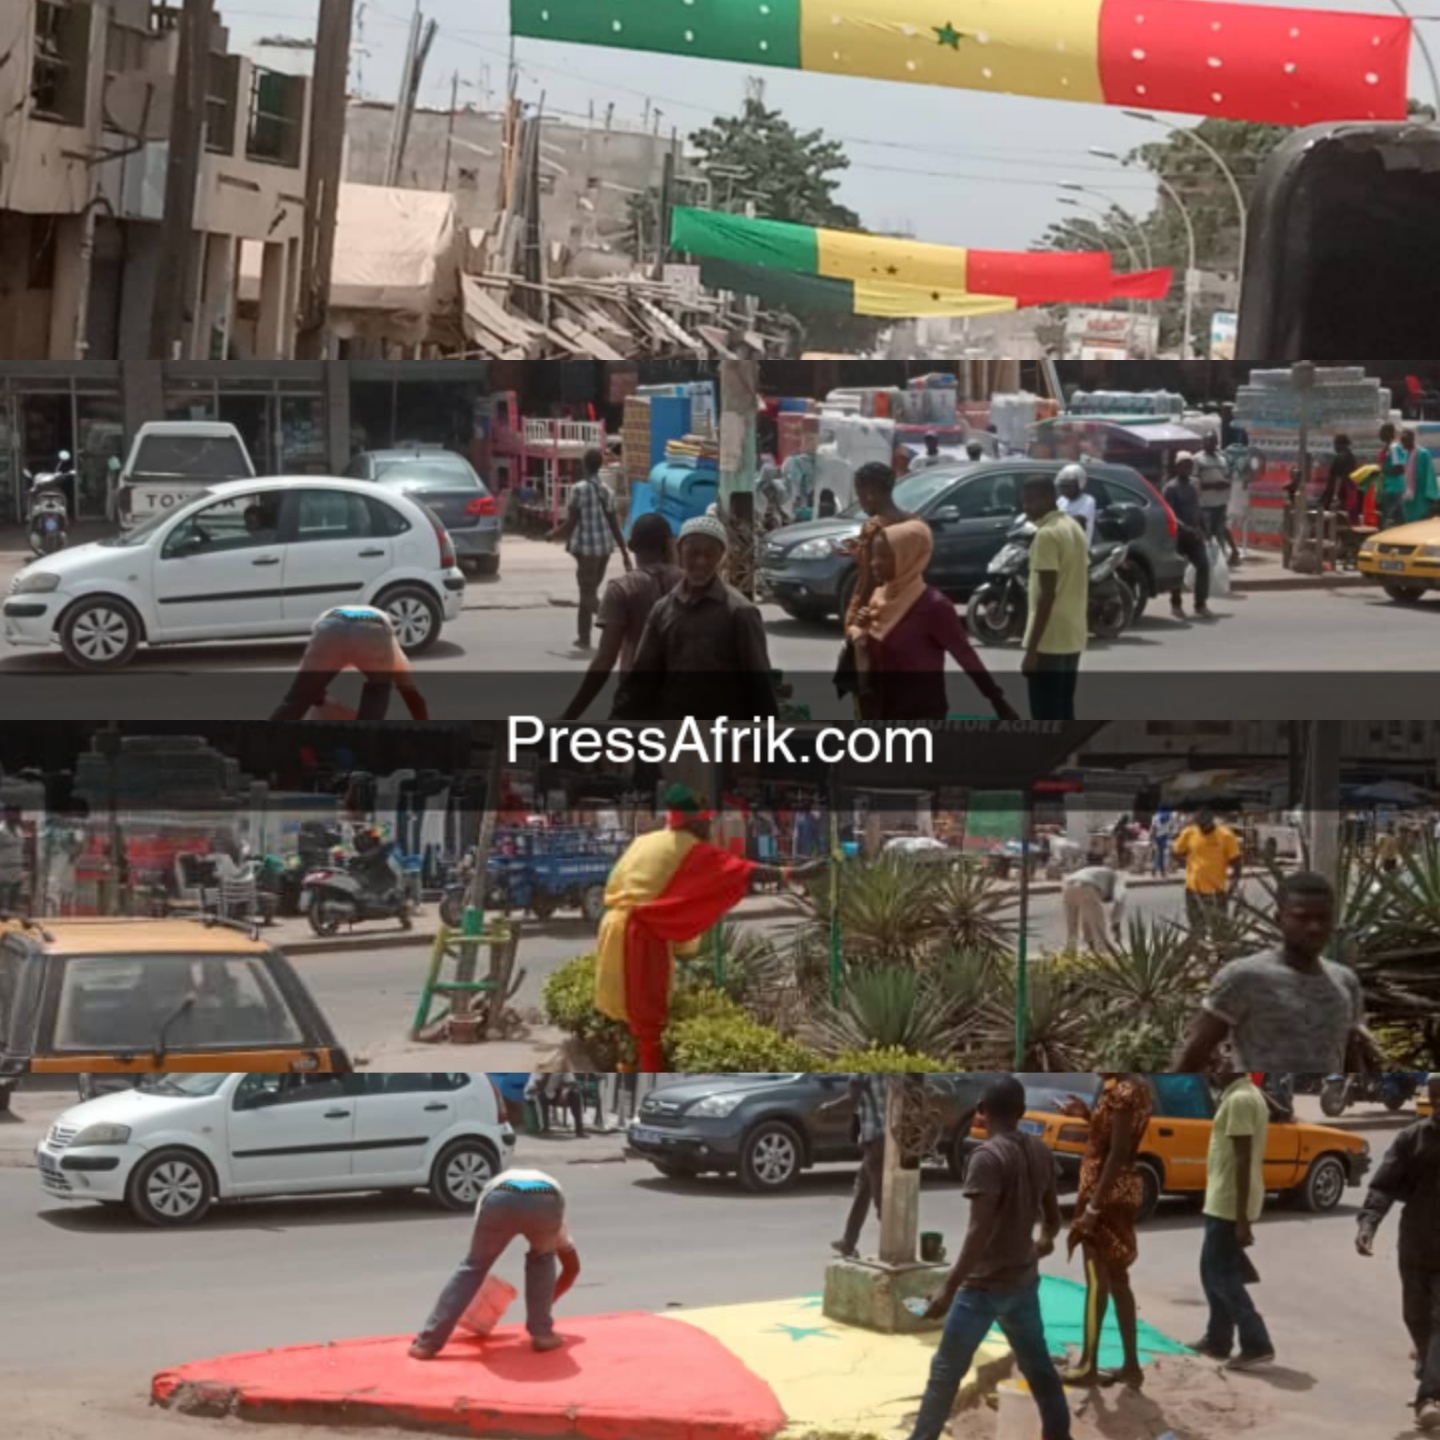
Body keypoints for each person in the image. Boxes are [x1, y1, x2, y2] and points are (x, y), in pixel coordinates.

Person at [593, 785, 825, 1072]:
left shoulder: (644, 841)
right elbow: (742, 871)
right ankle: (649, 1074)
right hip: (639, 938)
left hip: (612, 927)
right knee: (647, 1020)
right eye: (706, 823)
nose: (710, 828)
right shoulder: (691, 848)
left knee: (626, 1013)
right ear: (694, 822)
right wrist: (795, 873)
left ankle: (628, 1065)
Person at [909, 1076, 1074, 1440]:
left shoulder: (985, 1157)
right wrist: (1040, 1245)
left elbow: (978, 1231)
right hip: (1022, 1283)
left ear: (981, 1112)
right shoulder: (1040, 1151)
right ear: (1021, 1112)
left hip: (982, 1289)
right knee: (1039, 1369)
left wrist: (948, 1289)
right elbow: (1052, 1219)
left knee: (945, 1374)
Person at [1174, 871, 1371, 1074]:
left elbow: (1349, 1053)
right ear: (1279, 919)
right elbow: (1193, 1055)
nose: (1314, 927)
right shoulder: (1243, 977)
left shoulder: (1346, 981)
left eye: (1323, 918)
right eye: (1302, 918)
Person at [846, 520, 1017, 722]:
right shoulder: (878, 598)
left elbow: (965, 655)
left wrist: (997, 700)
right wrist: (860, 631)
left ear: (906, 558)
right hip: (878, 711)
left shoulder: (934, 606)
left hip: (919, 714)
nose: (874, 562)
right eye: (875, 555)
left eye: (884, 556)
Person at [613, 515, 777, 721]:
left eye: (710, 555)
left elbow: (760, 685)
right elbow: (640, 680)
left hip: (726, 737)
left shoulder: (741, 612)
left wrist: (764, 741)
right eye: (693, 553)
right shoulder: (663, 610)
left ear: (721, 557)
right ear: (680, 552)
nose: (701, 562)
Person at [410, 1167, 581, 1359]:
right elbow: (572, 1268)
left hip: (501, 1196)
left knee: (473, 1267)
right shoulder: (557, 1216)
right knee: (542, 1258)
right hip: (545, 1198)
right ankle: (542, 1334)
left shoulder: (491, 1188)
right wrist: (546, 1306)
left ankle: (427, 1344)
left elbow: (476, 1257)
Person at [1057, 1075, 1154, 1388]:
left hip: (1106, 1195)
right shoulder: (1130, 1089)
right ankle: (1131, 1366)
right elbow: (1112, 1136)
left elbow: (1117, 1152)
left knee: (1097, 1281)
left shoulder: (1125, 1093)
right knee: (1117, 1279)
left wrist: (1093, 1208)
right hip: (1116, 1191)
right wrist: (1086, 1113)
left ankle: (1087, 1364)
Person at [1357, 1073, 1440, 1430]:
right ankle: (1427, 1366)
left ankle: (1428, 1398)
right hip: (1417, 1242)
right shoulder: (1413, 1138)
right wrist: (1368, 1223)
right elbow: (1384, 1183)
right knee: (1416, 1316)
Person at [559, 513, 681, 722]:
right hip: (683, 699)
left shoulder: (622, 589)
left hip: (637, 698)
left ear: (631, 545)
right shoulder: (689, 584)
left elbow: (605, 660)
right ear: (669, 544)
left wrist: (569, 716)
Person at [1191, 1071, 1275, 1371]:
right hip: (1223, 1199)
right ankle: (1218, 1339)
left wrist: (1242, 1220)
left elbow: (1242, 1157)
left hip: (1229, 1202)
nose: (1213, 1067)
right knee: (1211, 1271)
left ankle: (1256, 1342)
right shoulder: (1243, 1095)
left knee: (1222, 1275)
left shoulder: (1240, 1099)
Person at [270, 606, 429, 721]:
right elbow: (411, 695)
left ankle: (264, 742)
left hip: (330, 626)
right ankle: (363, 746)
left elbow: (310, 692)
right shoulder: (391, 647)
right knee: (378, 690)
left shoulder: (325, 633)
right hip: (372, 628)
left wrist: (328, 704)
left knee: (297, 699)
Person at [1021, 474, 1088, 722]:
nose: (1025, 508)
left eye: (1031, 502)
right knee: (1063, 709)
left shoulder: (1046, 535)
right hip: (1072, 635)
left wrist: (1031, 650)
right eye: (1024, 502)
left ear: (1049, 499)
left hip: (1049, 638)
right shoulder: (1073, 526)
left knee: (1045, 715)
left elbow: (1047, 595)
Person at [549, 445, 630, 651]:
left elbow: (570, 524)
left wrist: (552, 534)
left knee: (587, 595)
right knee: (588, 591)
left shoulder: (578, 490)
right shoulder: (607, 491)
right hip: (603, 550)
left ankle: (618, 626)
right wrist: (625, 554)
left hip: (586, 551)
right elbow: (615, 525)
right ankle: (583, 637)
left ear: (584, 466)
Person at [840, 462, 913, 635]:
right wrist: (860, 552)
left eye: (860, 496)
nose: (861, 502)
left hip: (871, 611)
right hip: (906, 608)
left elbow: (870, 579)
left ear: (870, 494)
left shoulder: (874, 527)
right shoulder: (912, 523)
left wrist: (855, 622)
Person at [821, 1074, 888, 1259]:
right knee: (863, 1188)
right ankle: (848, 1243)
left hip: (875, 1138)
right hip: (889, 1136)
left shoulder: (862, 1072)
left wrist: (828, 1108)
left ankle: (895, 1248)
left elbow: (852, 1099)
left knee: (881, 1200)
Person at [1172, 808, 1242, 932]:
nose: (1202, 828)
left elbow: (1237, 865)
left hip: (1216, 892)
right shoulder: (1189, 832)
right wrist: (1188, 863)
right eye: (1199, 824)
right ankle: (1200, 950)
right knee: (1196, 929)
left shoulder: (1226, 836)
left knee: (1219, 930)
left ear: (1211, 819)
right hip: (1192, 891)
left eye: (1204, 824)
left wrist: (1231, 888)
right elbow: (1176, 852)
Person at [1163, 453, 1213, 620]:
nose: (1187, 469)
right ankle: (1176, 604)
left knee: (1203, 565)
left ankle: (1200, 604)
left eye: (1189, 465)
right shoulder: (1171, 488)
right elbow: (1170, 514)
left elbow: (1198, 508)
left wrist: (1204, 529)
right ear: (1177, 467)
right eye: (1184, 465)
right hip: (1179, 536)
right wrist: (1185, 529)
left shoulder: (1194, 485)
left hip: (1195, 535)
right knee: (1178, 570)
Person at [1195, 433, 1239, 565]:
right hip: (1205, 504)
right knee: (1207, 534)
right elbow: (1194, 482)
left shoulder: (1222, 459)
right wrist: (1213, 485)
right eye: (1207, 441)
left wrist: (1226, 483)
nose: (1210, 444)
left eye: (1213, 442)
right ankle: (1207, 561)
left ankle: (1219, 561)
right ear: (1203, 443)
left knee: (1220, 533)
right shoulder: (1197, 459)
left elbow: (1228, 476)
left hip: (1221, 503)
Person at [1062, 865, 1126, 952]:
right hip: (1086, 886)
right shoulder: (1118, 880)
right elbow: (1119, 903)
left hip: (1067, 887)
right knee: (1099, 932)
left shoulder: (1103, 875)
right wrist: (1116, 925)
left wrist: (1089, 940)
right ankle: (1104, 957)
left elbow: (1086, 920)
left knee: (1072, 931)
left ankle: (1070, 955)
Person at [1401, 428, 1440, 525]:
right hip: (1405, 496)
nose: (1404, 445)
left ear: (1412, 440)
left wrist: (1431, 495)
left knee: (1420, 521)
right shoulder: (1403, 454)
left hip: (1420, 495)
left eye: (1406, 441)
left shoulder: (1423, 454)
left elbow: (1429, 475)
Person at [1056, 463, 1097, 545]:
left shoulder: (1088, 500)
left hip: (1079, 549)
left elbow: (1079, 521)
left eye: (1068, 486)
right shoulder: (1061, 500)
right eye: (1062, 486)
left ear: (1079, 485)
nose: (1064, 490)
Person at [1324, 434, 1362, 522]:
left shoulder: (1339, 458)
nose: (1334, 447)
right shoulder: (1352, 457)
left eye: (1335, 444)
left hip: (1340, 492)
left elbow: (1337, 477)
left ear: (1340, 444)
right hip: (1350, 491)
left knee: (1335, 518)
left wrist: (1334, 495)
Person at [1380, 422, 1409, 529]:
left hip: (1393, 486)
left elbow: (1399, 468)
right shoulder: (1389, 447)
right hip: (1392, 485)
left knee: (1386, 515)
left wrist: (1384, 472)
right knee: (1400, 516)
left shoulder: (1394, 448)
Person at [0, 806, 28, 913]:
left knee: (14, 903)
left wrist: (24, 868)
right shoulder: (1, 830)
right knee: (3, 904)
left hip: (17, 869)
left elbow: (21, 849)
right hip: (4, 870)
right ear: (6, 814)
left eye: (18, 813)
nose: (16, 815)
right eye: (13, 813)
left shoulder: (19, 830)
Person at [1150, 807, 1178, 876]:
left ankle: (1155, 869)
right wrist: (1171, 834)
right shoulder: (1170, 816)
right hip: (1164, 837)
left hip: (1157, 837)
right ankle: (1161, 871)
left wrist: (1151, 838)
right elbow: (1173, 827)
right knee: (1162, 854)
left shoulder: (1155, 816)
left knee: (1158, 854)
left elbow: (1153, 829)